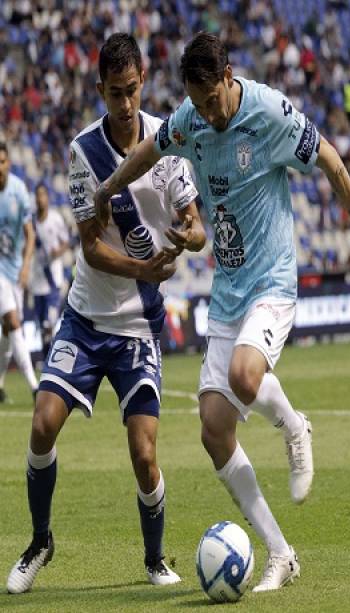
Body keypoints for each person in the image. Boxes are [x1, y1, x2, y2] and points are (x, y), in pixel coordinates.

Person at [93, 32, 350, 593]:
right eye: (197, 105)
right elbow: (149, 152)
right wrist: (108, 188)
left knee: (244, 376)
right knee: (213, 429)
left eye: (212, 101)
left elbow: (327, 156)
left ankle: (294, 425)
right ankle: (280, 553)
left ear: (229, 76)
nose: (207, 114)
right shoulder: (190, 120)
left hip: (272, 281)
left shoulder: (269, 112)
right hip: (229, 292)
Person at [7, 33, 205, 594]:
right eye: (114, 93)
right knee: (43, 424)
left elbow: (195, 224)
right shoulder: (83, 152)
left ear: (144, 82)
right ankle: (41, 539)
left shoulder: (168, 143)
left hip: (139, 327)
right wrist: (146, 270)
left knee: (145, 455)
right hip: (86, 318)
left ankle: (154, 559)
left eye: (132, 91)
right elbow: (91, 247)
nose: (124, 104)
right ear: (100, 89)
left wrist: (187, 237)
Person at [0, 142, 38, 403]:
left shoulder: (18, 190)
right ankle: (35, 386)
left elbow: (30, 233)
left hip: (15, 270)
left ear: (8, 163)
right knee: (13, 321)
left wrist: (25, 267)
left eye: (2, 162)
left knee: (7, 330)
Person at [31, 183, 70, 360]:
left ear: (47, 197)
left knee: (49, 322)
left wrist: (58, 251)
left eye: (43, 195)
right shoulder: (31, 222)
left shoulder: (55, 218)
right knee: (41, 325)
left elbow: (65, 241)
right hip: (37, 280)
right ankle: (48, 358)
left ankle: (53, 357)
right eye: (37, 195)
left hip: (53, 279)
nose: (40, 199)